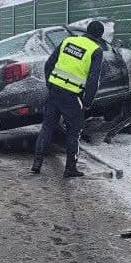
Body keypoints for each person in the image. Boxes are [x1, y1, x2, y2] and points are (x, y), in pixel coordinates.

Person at [30, 20, 107, 177]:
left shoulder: (68, 41)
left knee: (47, 128)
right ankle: (70, 168)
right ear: (100, 36)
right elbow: (93, 79)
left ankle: (37, 163)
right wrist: (87, 102)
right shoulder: (96, 50)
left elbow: (49, 64)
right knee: (74, 132)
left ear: (87, 30)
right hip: (72, 97)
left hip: (54, 92)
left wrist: (50, 83)